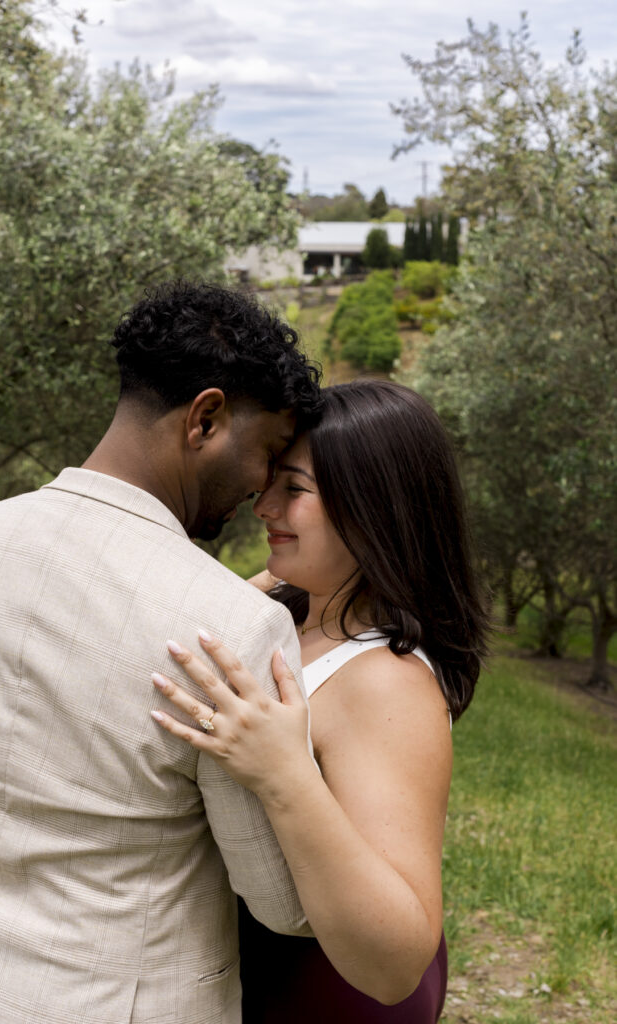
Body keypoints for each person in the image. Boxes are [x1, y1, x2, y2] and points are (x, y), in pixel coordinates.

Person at [0, 280, 323, 1024]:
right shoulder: (233, 627)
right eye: (269, 451)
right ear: (205, 418)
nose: (263, 487)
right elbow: (282, 901)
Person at [150, 379, 489, 1023]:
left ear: (373, 508)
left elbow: (395, 965)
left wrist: (283, 774)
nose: (263, 506)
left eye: (295, 489)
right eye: (270, 481)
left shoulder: (387, 680)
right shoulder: (288, 599)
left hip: (328, 993)